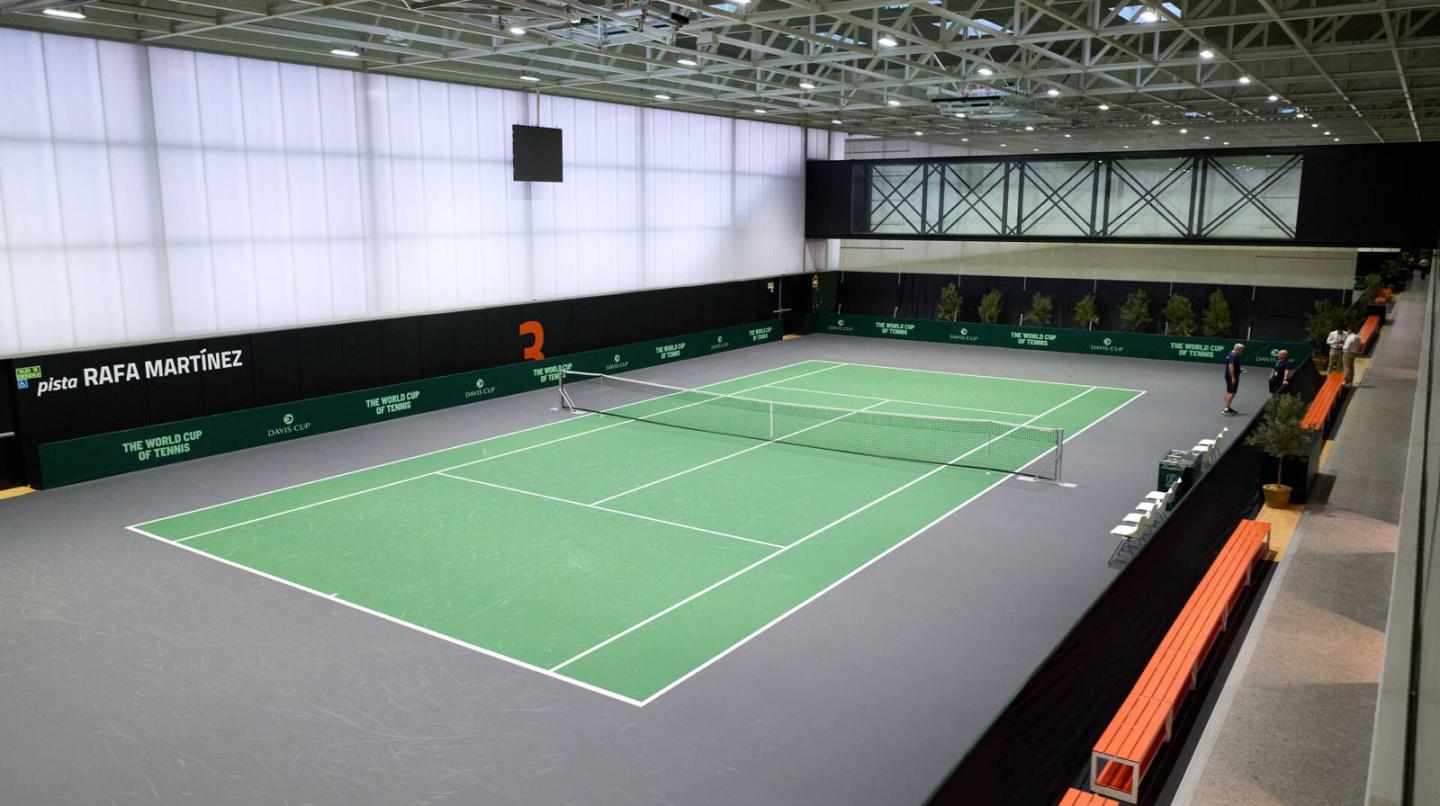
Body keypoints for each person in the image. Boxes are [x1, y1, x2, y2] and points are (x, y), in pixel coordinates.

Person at [1222, 343, 1245, 416]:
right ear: (1238, 349)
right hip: (1231, 377)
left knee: (1228, 392)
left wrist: (1239, 370)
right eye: (1242, 350)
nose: (1242, 352)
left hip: (1229, 376)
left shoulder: (1231, 353)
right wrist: (1233, 377)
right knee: (1232, 393)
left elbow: (1233, 366)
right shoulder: (1233, 356)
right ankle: (1226, 410)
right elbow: (1231, 366)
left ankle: (1228, 407)